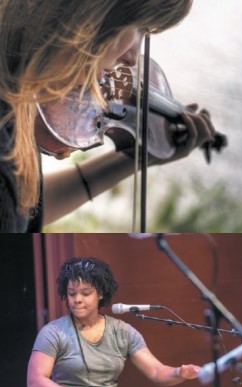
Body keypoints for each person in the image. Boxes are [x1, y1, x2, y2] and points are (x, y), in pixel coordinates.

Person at [0, 0, 216, 232]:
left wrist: (135, 159)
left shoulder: (14, 102)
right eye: (141, 27)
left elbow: (23, 210)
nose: (133, 58)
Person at [27, 257, 200, 387]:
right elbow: (35, 382)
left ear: (100, 294)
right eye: (72, 293)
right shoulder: (53, 332)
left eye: (85, 293)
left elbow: (156, 371)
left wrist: (179, 373)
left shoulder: (122, 331)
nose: (77, 300)